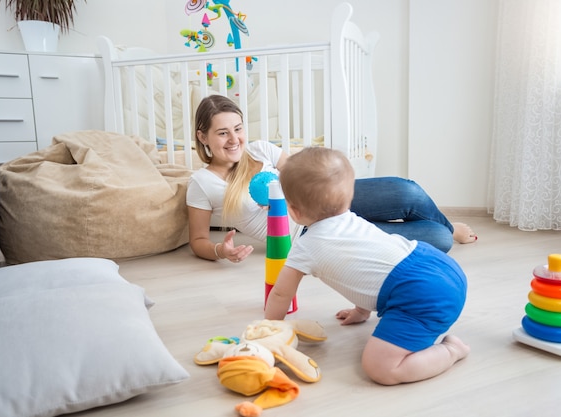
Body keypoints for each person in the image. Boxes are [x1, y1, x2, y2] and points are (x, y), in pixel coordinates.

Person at [186, 94, 476, 263]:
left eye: (237, 128)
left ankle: (449, 226)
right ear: (203, 137)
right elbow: (197, 240)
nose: (234, 139)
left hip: (325, 196)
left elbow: (304, 173)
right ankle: (446, 231)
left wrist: (288, 191)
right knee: (438, 239)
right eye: (223, 132)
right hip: (311, 233)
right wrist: (220, 252)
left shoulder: (261, 149)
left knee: (406, 190)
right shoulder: (203, 183)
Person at [264, 147, 470, 385]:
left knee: (381, 368)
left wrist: (270, 331)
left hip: (421, 294)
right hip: (438, 264)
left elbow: (281, 293)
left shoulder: (305, 247)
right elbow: (366, 268)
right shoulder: (353, 220)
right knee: (388, 269)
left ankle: (451, 351)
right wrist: (361, 310)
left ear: (294, 211)